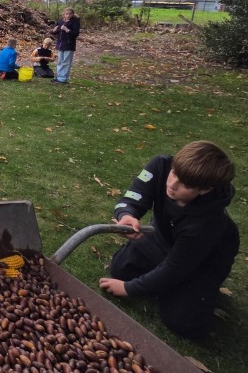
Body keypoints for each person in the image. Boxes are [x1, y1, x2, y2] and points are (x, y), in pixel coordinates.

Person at [99, 141, 239, 339]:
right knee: (120, 269)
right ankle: (160, 282)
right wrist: (126, 214)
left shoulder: (208, 223)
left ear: (205, 189)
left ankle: (194, 294)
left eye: (185, 185)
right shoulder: (160, 165)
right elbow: (134, 195)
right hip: (163, 238)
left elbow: (176, 267)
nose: (171, 185)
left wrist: (128, 289)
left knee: (183, 323)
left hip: (200, 264)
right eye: (174, 173)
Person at [51, 7, 80, 84]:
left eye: (70, 14)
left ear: (73, 14)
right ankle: (58, 77)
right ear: (64, 14)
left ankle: (63, 79)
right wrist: (54, 31)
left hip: (69, 45)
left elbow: (76, 34)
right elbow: (56, 32)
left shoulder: (75, 22)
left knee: (66, 62)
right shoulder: (60, 21)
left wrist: (67, 30)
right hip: (60, 44)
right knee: (60, 61)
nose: (68, 15)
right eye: (67, 14)